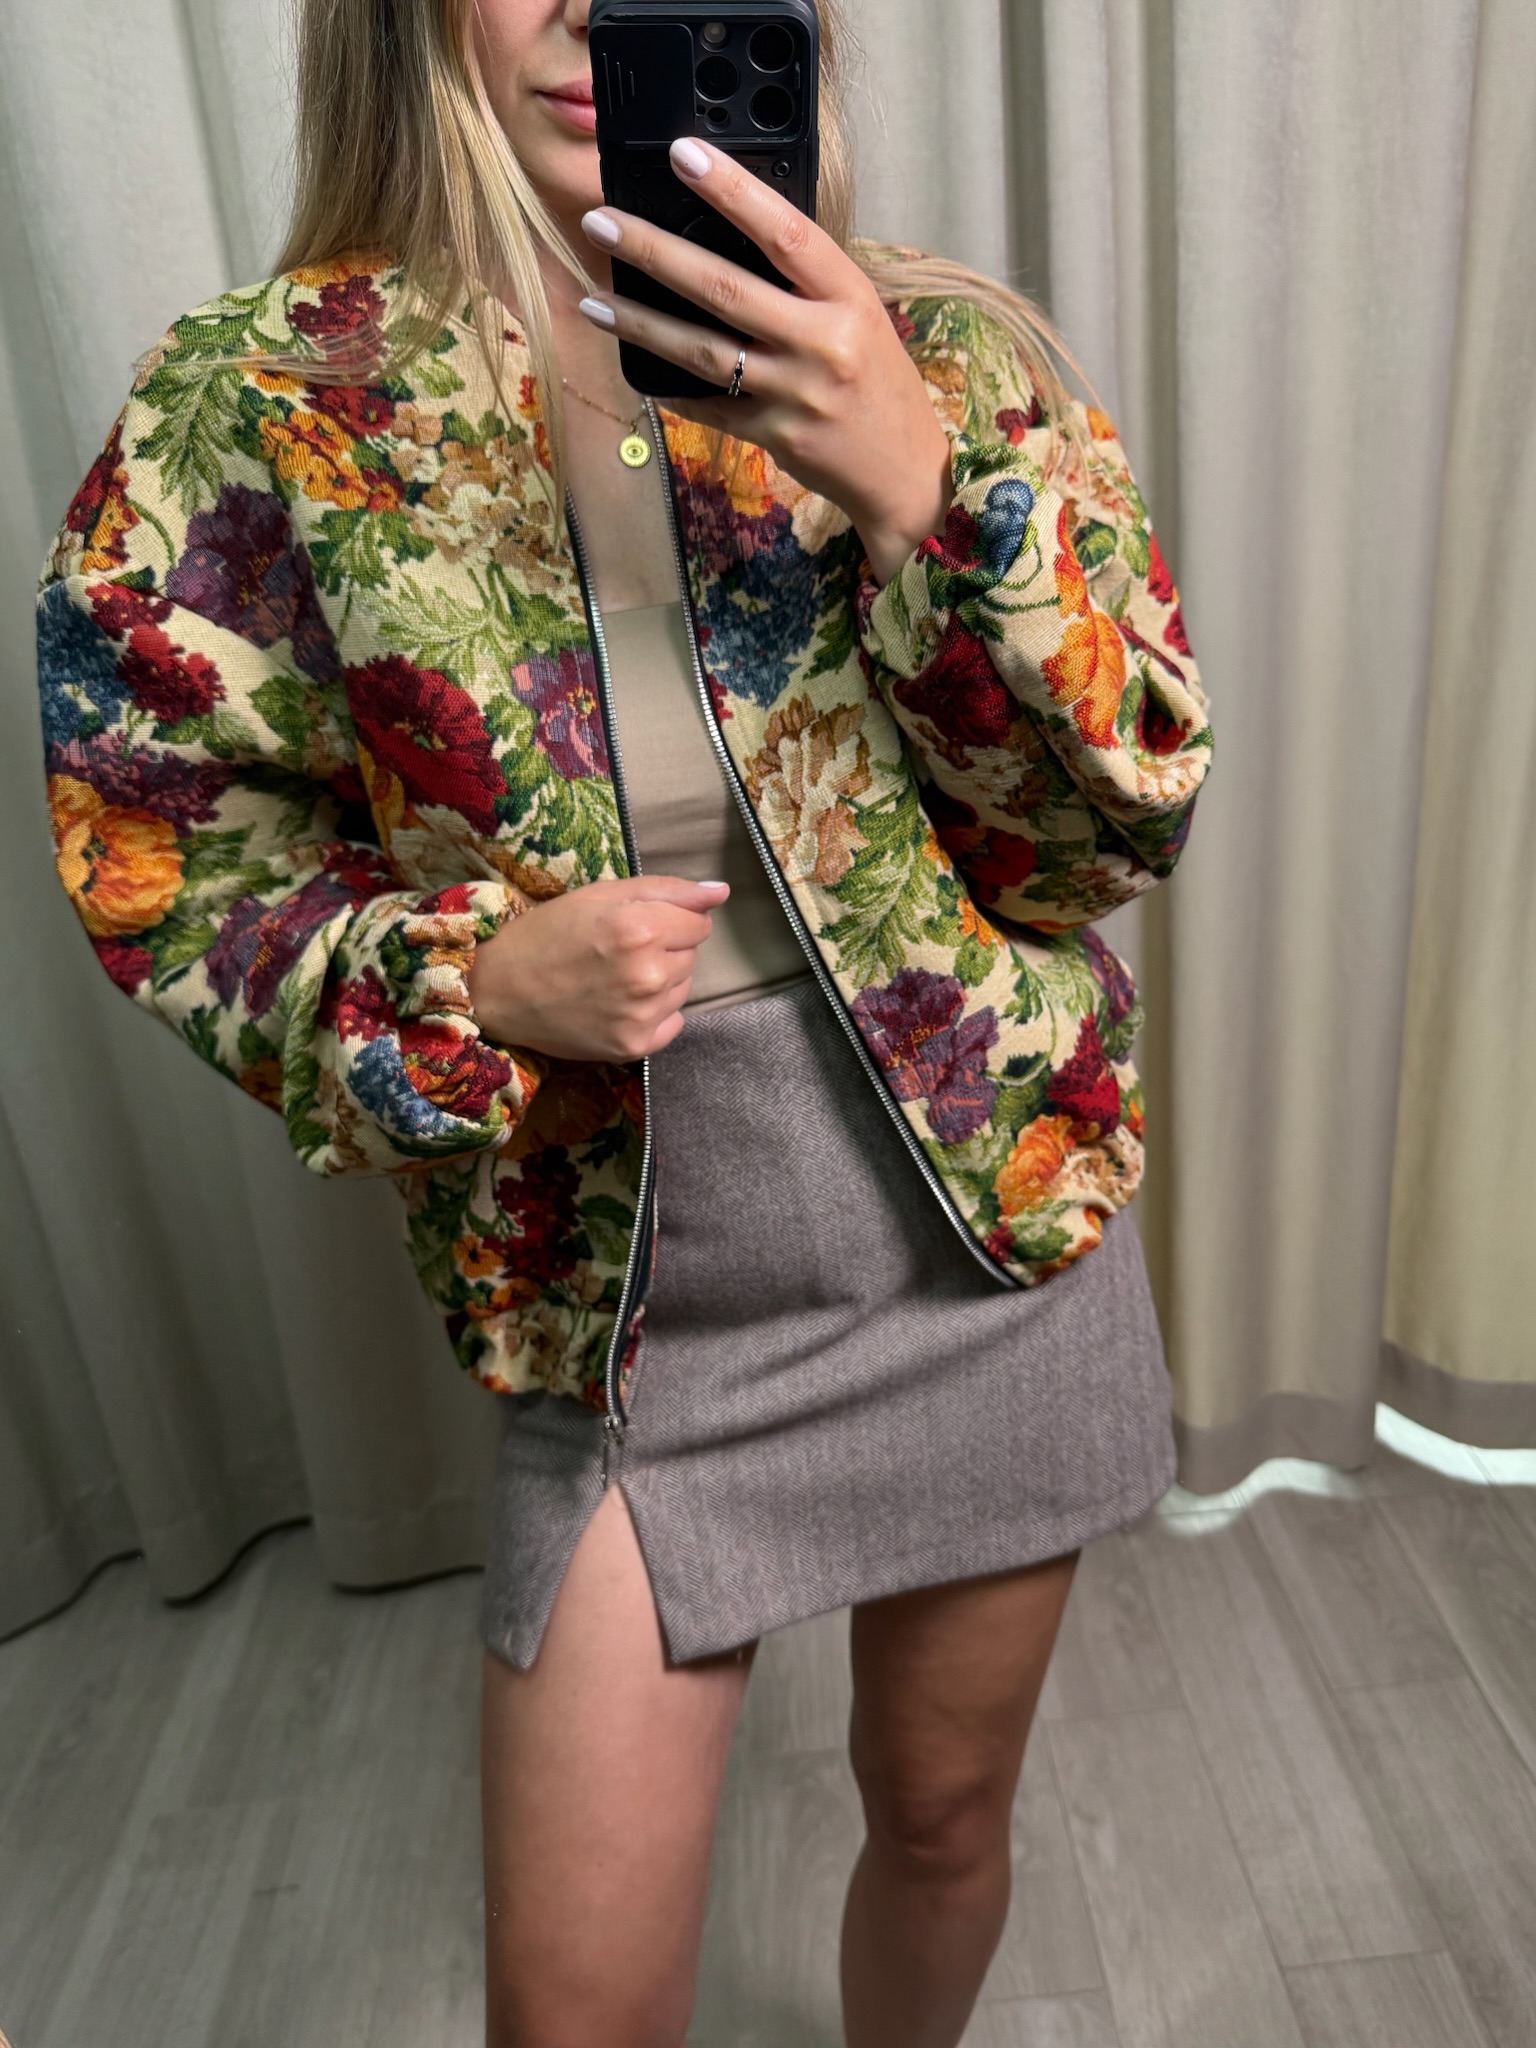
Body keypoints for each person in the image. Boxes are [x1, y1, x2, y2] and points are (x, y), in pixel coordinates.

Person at [34, 2, 1213, 2043]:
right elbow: (156, 843)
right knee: (570, 2009)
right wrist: (472, 984)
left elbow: (1108, 829)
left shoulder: (928, 354)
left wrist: (926, 493)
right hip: (619, 1298)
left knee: (942, 1814)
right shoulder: (263, 407)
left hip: (984, 1229)